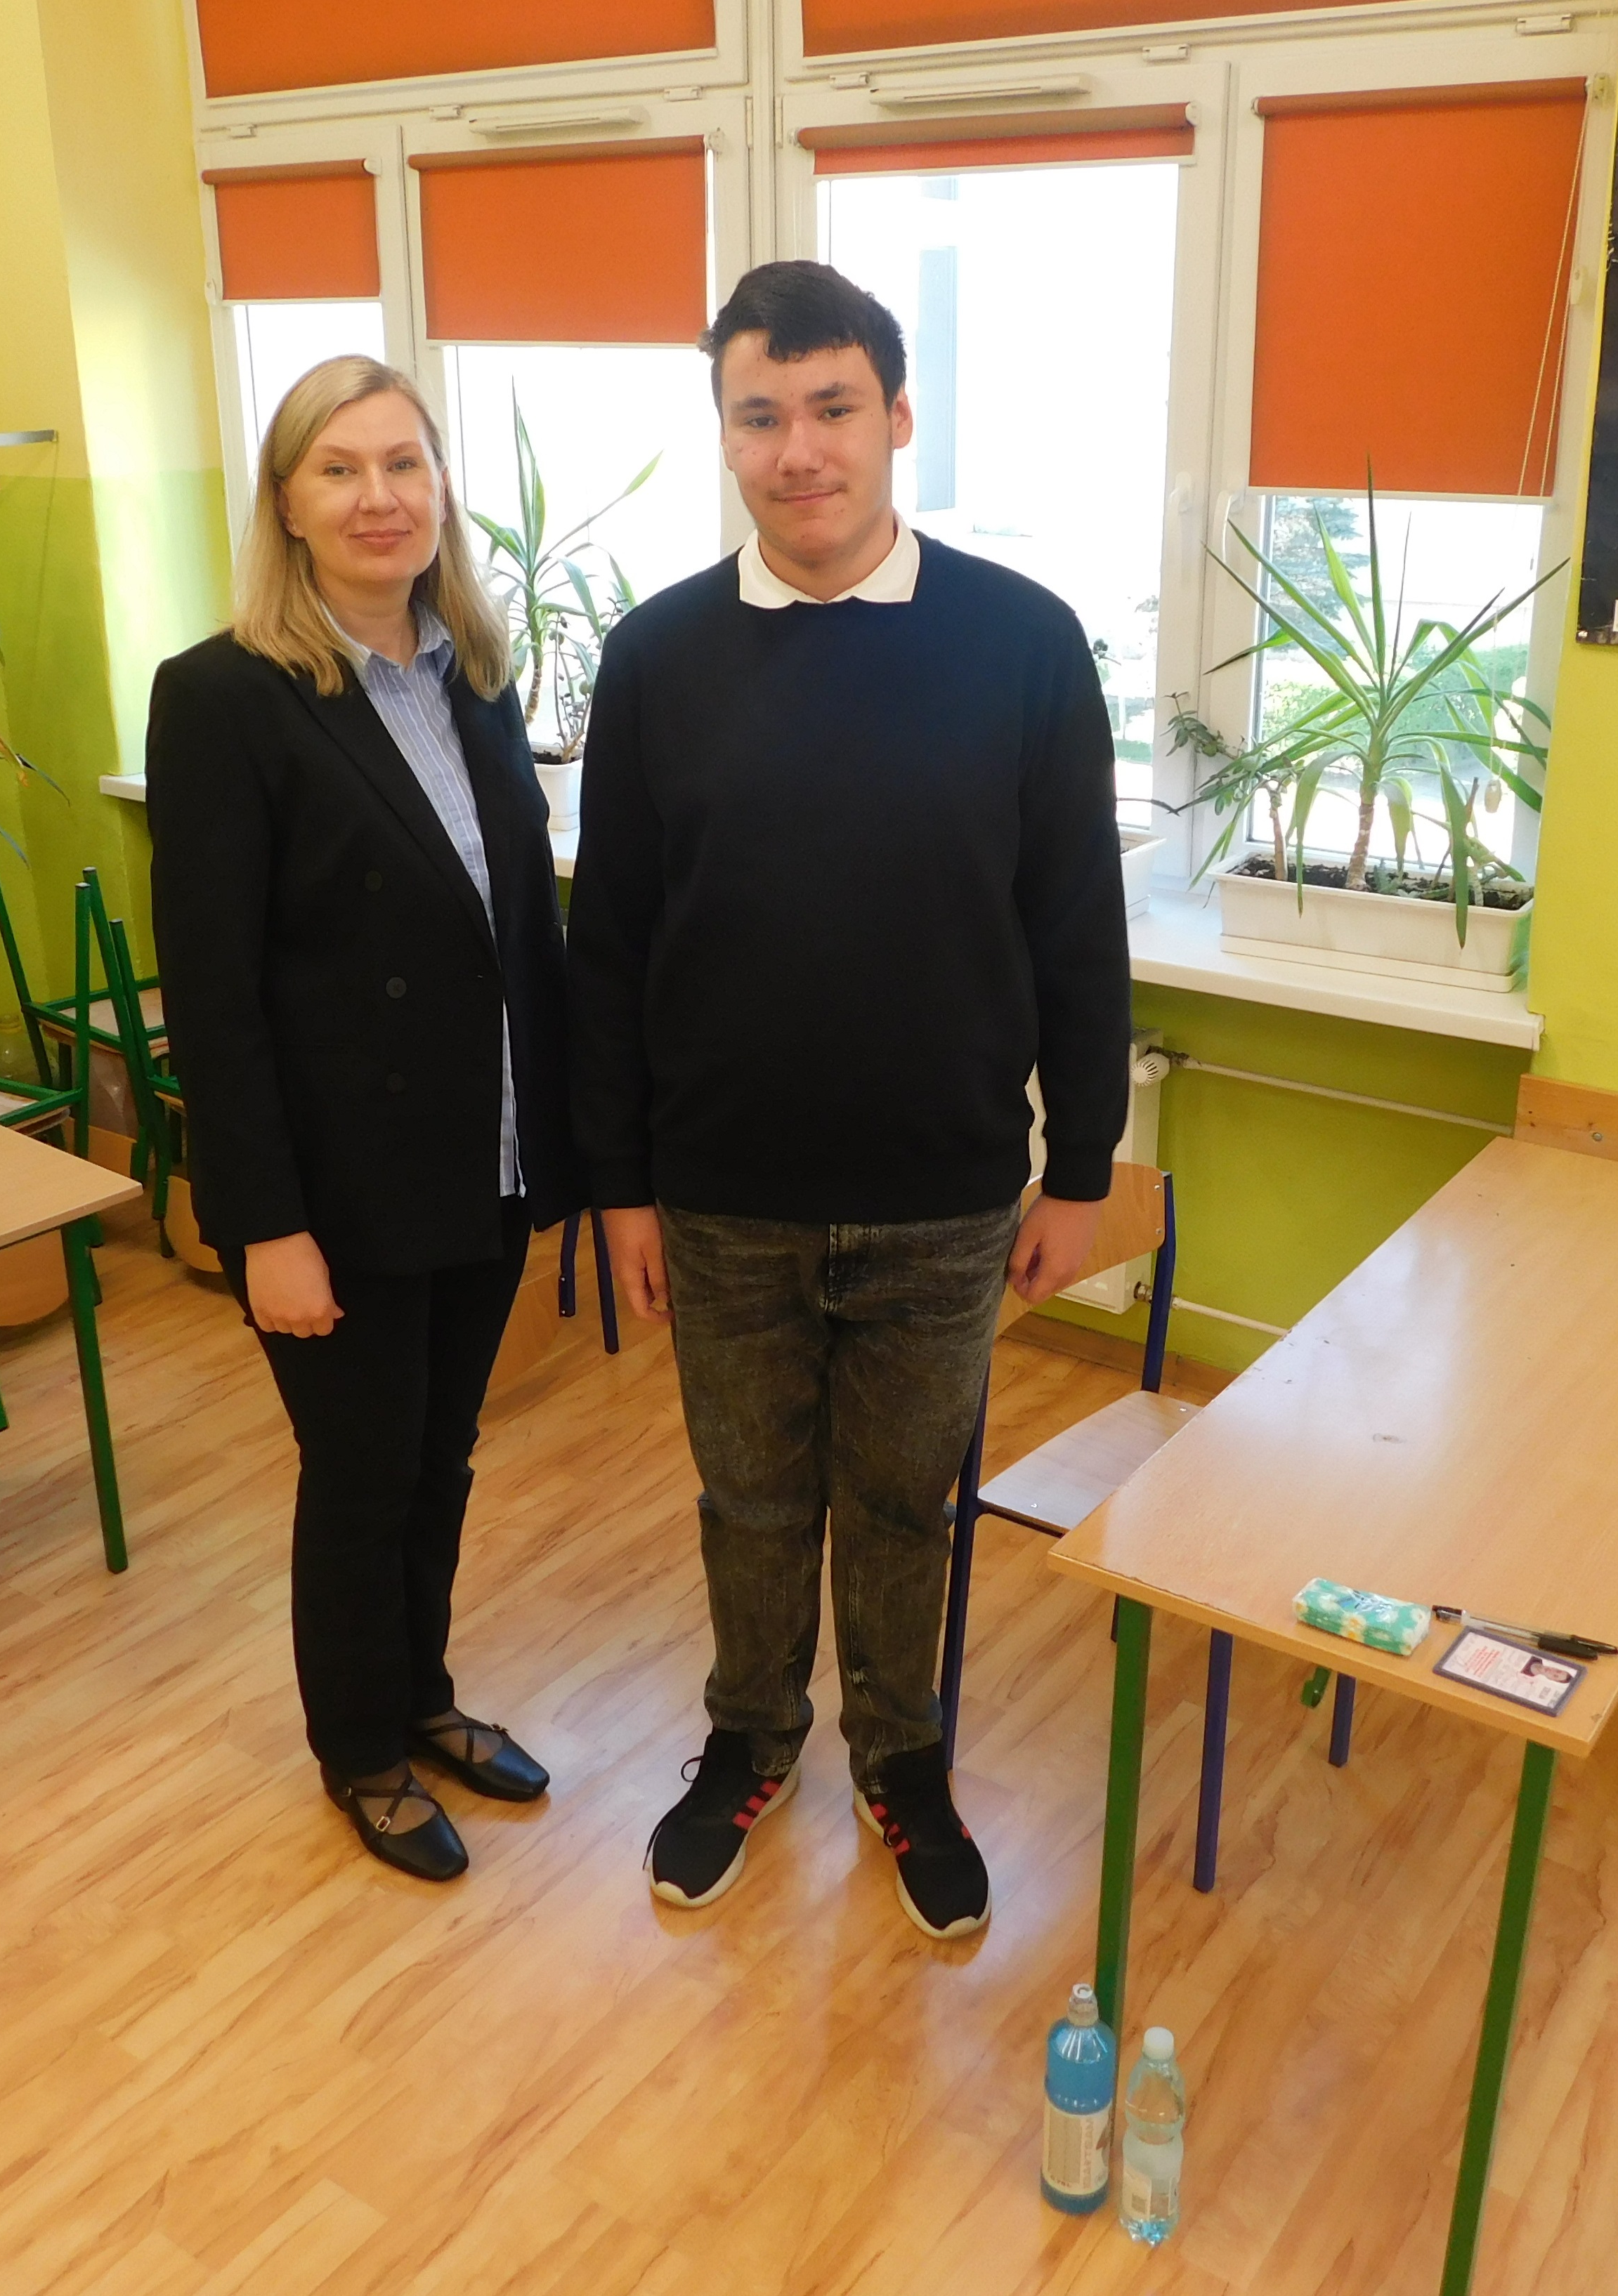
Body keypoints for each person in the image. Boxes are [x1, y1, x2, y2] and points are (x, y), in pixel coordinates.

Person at [567, 262, 1131, 1939]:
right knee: (748, 1502)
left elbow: (1075, 920)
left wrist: (1082, 1163)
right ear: (725, 433)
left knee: (899, 1507)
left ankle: (900, 1755)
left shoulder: (1021, 641)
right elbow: (613, 945)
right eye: (760, 415)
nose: (797, 449)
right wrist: (618, 1183)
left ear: (896, 418)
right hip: (721, 1196)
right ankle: (749, 1738)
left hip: (941, 1197)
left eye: (830, 409)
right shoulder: (657, 656)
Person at [148, 356, 582, 1882]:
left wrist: (570, 1144)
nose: (378, 496)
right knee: (360, 1475)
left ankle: (422, 1696)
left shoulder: (476, 672)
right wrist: (265, 1225)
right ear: (286, 502)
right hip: (335, 1190)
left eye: (404, 463)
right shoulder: (224, 697)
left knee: (439, 1457)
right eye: (339, 468)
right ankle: (360, 1748)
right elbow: (214, 996)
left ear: (441, 489)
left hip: (483, 1159)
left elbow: (516, 926)